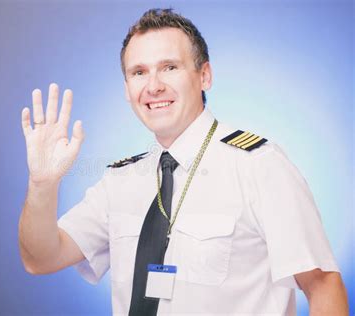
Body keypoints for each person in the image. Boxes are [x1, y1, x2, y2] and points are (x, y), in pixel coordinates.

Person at [18, 8, 349, 315]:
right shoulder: (120, 180)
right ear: (126, 88)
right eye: (139, 72)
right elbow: (40, 258)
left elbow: (321, 285)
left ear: (204, 76)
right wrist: (42, 185)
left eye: (169, 67)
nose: (154, 86)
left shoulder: (260, 166)